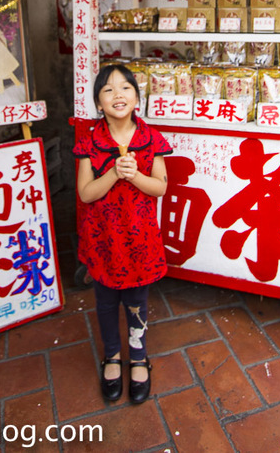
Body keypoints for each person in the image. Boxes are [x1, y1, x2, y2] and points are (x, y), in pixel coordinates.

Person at [73, 63, 171, 404]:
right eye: (109, 89)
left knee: (136, 302)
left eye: (126, 87)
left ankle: (139, 356)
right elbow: (86, 193)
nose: (118, 94)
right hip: (102, 238)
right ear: (99, 103)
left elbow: (159, 187)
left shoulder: (150, 139)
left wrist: (134, 176)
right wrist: (115, 173)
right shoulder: (90, 143)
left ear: (136, 97)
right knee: (104, 301)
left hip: (139, 238)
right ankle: (112, 355)